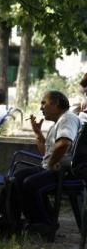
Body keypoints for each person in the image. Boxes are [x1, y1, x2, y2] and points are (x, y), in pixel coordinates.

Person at [12, 90, 80, 236]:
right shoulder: (57, 123)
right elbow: (46, 154)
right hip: (51, 168)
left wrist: (52, 162)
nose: (41, 107)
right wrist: (38, 134)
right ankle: (14, 224)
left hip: (65, 172)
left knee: (30, 184)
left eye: (44, 103)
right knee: (17, 178)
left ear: (55, 103)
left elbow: (64, 143)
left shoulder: (67, 118)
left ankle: (45, 224)